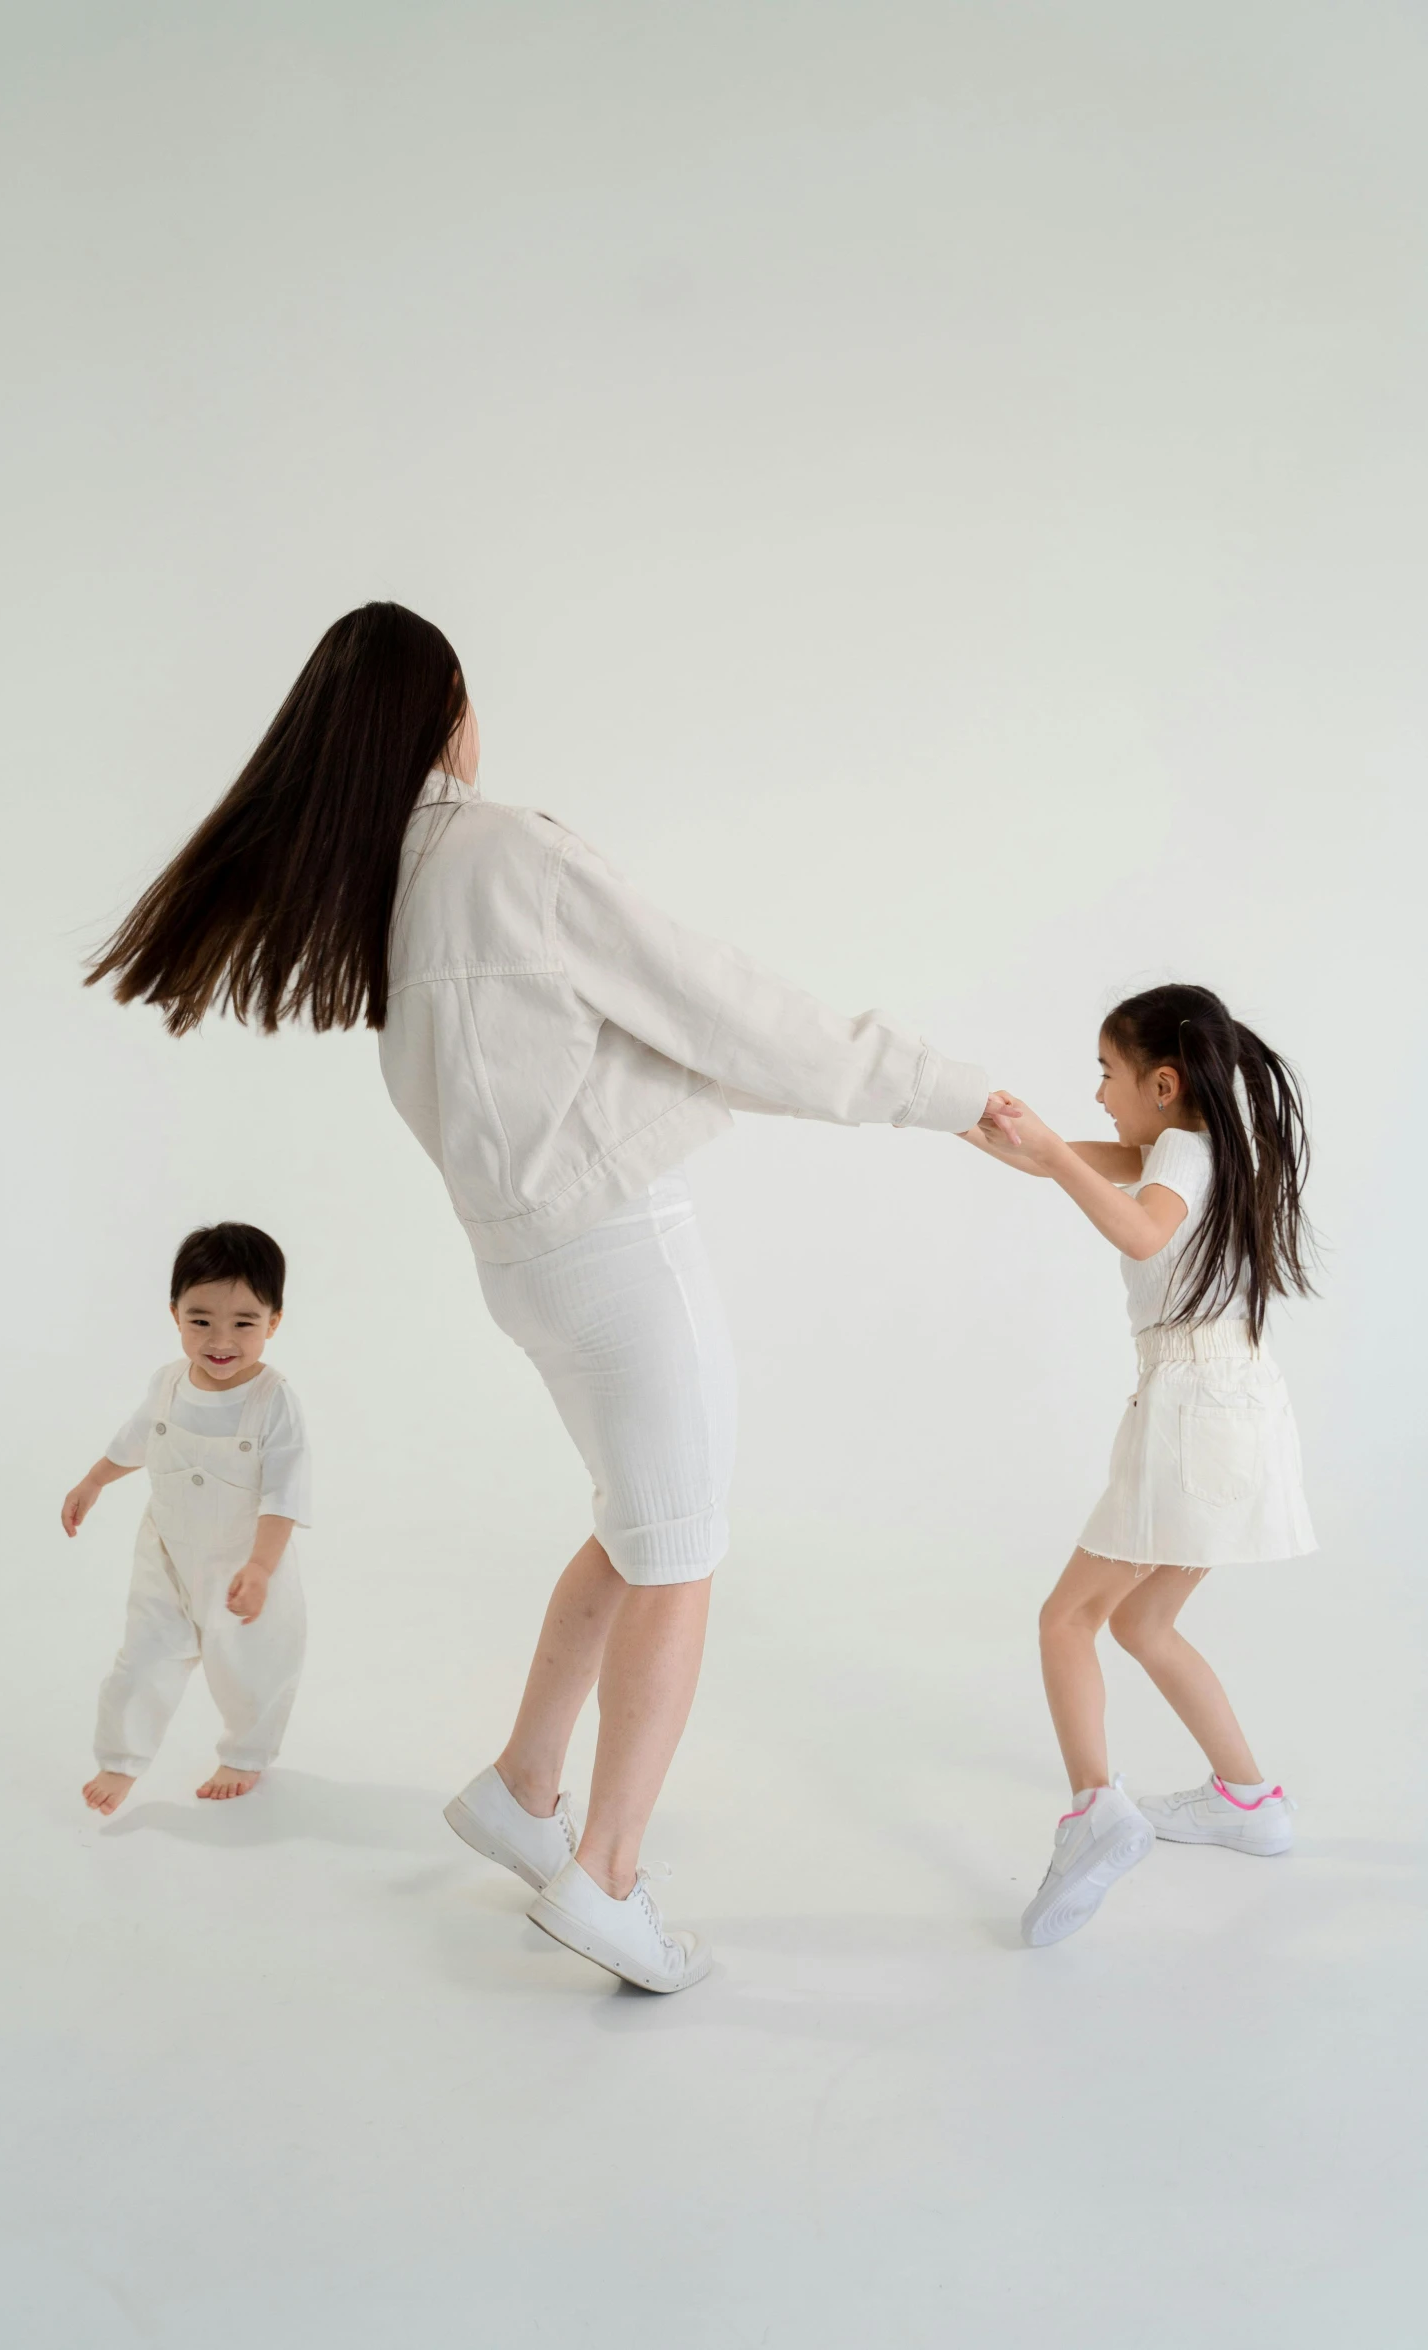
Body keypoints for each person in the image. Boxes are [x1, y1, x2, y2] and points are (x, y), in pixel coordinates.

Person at [86, 600, 997, 1992]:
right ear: (446, 706)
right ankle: (608, 1876)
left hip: (525, 1271)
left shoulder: (387, 899)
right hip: (617, 1252)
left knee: (634, 1527)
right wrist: (938, 1090)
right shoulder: (501, 851)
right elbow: (723, 1006)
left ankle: (523, 1785)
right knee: (681, 1552)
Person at [964, 985, 1316, 1947]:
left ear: (1162, 1082)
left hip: (1193, 1409)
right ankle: (1249, 1802)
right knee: (1144, 1621)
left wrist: (1046, 1158)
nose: (1098, 1095)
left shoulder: (1185, 1156)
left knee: (1065, 1620)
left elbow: (1141, 1228)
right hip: (1238, 1408)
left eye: (1107, 1076)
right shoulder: (1211, 1150)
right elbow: (1086, 1164)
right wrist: (998, 1134)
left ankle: (1093, 1812)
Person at [62, 1222, 310, 1814]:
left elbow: (284, 1496)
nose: (219, 1339)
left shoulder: (273, 1402)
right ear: (174, 1314)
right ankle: (121, 1759)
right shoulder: (167, 1383)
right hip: (167, 1553)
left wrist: (259, 1567)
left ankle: (246, 1755)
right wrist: (94, 1479)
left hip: (245, 1562)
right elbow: (138, 1437)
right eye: (200, 1320)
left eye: (244, 1323)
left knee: (253, 1665)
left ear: (274, 1322)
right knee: (143, 1654)